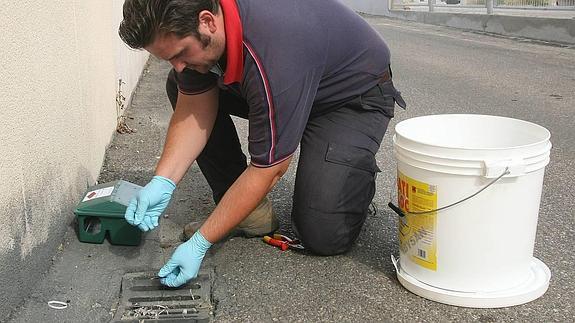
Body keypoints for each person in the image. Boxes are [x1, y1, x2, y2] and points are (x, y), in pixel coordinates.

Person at [118, 0, 406, 288]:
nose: (178, 64)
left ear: (207, 21)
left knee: (324, 233)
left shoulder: (273, 48)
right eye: (168, 57)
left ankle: (351, 182)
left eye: (180, 53)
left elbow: (269, 169)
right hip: (292, 81)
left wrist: (201, 242)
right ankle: (250, 213)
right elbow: (194, 107)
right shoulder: (204, 26)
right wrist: (163, 181)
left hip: (347, 98)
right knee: (181, 84)